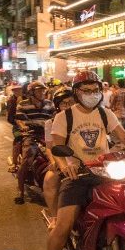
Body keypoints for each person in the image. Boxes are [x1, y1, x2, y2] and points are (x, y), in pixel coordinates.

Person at [37, 71, 125, 250]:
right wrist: (66, 166)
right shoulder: (64, 117)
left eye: (95, 90)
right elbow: (58, 148)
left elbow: (124, 137)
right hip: (78, 175)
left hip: (105, 171)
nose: (92, 94)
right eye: (86, 91)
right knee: (64, 225)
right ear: (76, 93)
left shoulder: (106, 114)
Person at [14, 82, 55, 203]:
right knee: (27, 159)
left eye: (43, 90)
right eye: (39, 91)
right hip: (31, 134)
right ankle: (20, 191)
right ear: (31, 92)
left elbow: (55, 117)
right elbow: (19, 120)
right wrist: (23, 127)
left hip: (47, 134)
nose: (42, 93)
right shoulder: (22, 104)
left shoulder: (49, 103)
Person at [41, 87, 75, 232]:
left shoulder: (87, 117)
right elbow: (50, 147)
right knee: (50, 180)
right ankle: (55, 217)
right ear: (57, 106)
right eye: (64, 103)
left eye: (71, 102)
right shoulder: (51, 123)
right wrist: (55, 162)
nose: (68, 106)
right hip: (62, 158)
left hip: (83, 159)